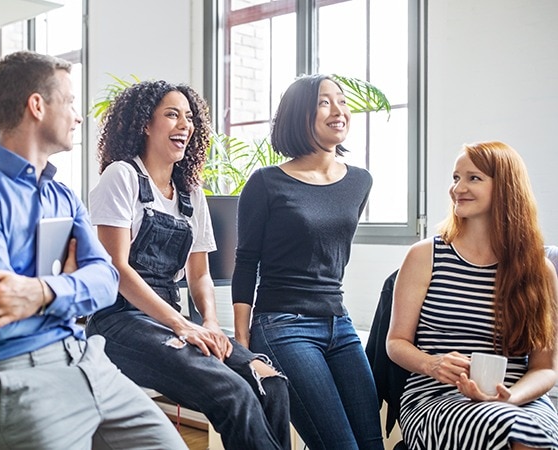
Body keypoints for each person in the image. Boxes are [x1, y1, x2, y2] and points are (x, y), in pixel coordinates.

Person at [0, 51, 185, 450]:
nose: (78, 117)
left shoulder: (63, 196)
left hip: (89, 361)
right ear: (37, 106)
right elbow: (1, 317)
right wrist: (69, 285)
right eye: (70, 102)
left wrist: (44, 291)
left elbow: (107, 281)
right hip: (20, 375)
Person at [86, 79, 292, 450]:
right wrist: (182, 325)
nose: (185, 124)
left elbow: (200, 275)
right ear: (145, 125)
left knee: (270, 383)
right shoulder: (122, 177)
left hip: (171, 320)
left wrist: (210, 323)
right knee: (232, 391)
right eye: (171, 115)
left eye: (189, 117)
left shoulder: (191, 194)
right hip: (119, 322)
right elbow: (117, 269)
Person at [232, 74, 384, 450]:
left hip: (339, 323)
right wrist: (243, 346)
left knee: (371, 443)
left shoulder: (360, 181)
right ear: (301, 115)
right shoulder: (266, 182)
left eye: (343, 101)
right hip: (283, 325)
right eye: (324, 102)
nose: (339, 111)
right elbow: (246, 262)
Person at [387, 141, 558, 449]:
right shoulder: (426, 256)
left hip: (519, 397)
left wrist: (508, 398)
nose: (458, 188)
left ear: (506, 187)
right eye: (456, 178)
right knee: (513, 430)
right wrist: (431, 364)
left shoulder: (540, 270)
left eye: (473, 178)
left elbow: (544, 368)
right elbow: (395, 342)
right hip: (436, 397)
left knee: (532, 430)